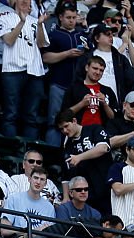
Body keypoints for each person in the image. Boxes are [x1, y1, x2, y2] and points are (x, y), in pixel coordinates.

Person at [0, 0, 48, 138]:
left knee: (31, 115)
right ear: (15, 2)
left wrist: (40, 24)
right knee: (11, 112)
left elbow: (42, 44)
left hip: (35, 70)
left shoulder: (35, 21)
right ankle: (11, 148)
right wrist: (21, 22)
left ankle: (29, 151)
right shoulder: (5, 18)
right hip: (13, 70)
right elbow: (8, 40)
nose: (26, 3)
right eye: (22, 0)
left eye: (28, 1)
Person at [43, 3, 89, 145]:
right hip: (58, 83)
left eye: (74, 17)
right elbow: (45, 57)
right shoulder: (54, 34)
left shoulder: (82, 34)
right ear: (60, 17)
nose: (71, 20)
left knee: (76, 121)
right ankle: (53, 152)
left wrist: (87, 50)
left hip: (78, 85)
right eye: (68, 17)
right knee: (55, 120)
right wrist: (67, 54)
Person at [57, 108, 114, 215]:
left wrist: (79, 157)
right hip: (86, 196)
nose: (64, 131)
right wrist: (65, 197)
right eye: (61, 129)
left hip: (106, 189)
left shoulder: (94, 129)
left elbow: (103, 148)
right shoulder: (67, 145)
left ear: (74, 121)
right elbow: (65, 174)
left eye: (66, 126)